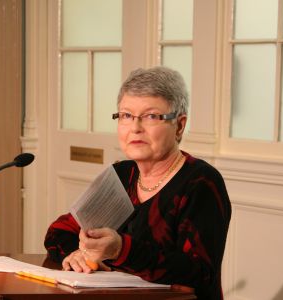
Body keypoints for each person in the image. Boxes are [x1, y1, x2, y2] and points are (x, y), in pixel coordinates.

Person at [44, 66, 232, 300]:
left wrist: (121, 250)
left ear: (180, 125)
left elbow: (198, 273)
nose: (135, 128)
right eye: (126, 115)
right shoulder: (122, 174)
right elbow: (59, 230)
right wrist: (76, 253)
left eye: (151, 116)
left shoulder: (200, 182)